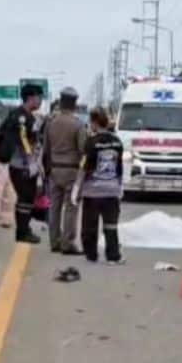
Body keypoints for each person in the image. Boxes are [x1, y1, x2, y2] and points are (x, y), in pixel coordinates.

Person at [76, 107, 125, 265]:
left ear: (95, 122)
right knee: (111, 224)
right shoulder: (117, 142)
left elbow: (84, 166)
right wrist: (120, 185)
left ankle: (91, 254)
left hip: (93, 191)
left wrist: (77, 188)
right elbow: (119, 166)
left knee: (90, 224)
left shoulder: (91, 142)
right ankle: (113, 255)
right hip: (112, 189)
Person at [42, 86, 87, 255]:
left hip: (54, 170)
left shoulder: (50, 123)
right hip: (71, 172)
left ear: (60, 102)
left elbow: (45, 149)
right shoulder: (78, 125)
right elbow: (83, 150)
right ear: (74, 104)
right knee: (71, 207)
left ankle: (54, 241)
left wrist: (47, 171)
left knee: (54, 207)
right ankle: (68, 243)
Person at [3, 82, 44, 244]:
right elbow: (23, 140)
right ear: (31, 97)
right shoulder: (22, 117)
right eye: (39, 97)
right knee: (25, 197)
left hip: (24, 164)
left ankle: (25, 229)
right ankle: (22, 232)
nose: (40, 101)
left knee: (26, 198)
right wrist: (30, 162)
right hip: (21, 165)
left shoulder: (26, 116)